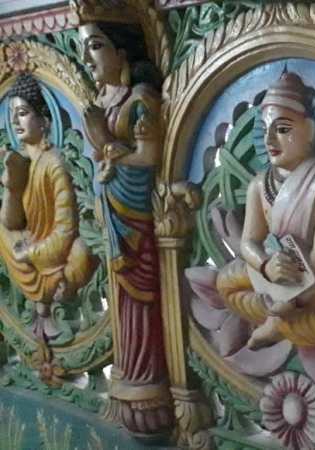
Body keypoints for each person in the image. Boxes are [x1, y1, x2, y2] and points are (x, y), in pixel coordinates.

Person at [215, 70, 315, 375]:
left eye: (283, 129)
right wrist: (265, 265)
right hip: (272, 274)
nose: (270, 140)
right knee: (225, 282)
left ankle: (278, 325)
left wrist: (293, 301)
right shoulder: (259, 185)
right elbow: (248, 242)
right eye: (266, 131)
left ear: (310, 131)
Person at [78, 22, 172, 436]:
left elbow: (148, 159)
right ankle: (128, 377)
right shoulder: (105, 99)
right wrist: (105, 148)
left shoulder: (141, 99)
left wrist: (104, 141)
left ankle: (146, 383)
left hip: (137, 221)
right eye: (85, 48)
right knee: (119, 299)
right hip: (113, 219)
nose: (87, 58)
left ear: (122, 54)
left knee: (141, 302)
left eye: (96, 46)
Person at [0, 73, 95, 339]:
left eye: (22, 113)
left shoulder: (54, 164)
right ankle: (44, 296)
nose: (15, 122)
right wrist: (12, 187)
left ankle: (53, 291)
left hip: (55, 256)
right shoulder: (21, 162)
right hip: (32, 255)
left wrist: (30, 253)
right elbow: (11, 223)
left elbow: (65, 232)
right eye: (12, 115)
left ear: (44, 120)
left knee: (82, 251)